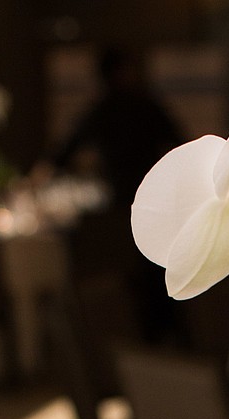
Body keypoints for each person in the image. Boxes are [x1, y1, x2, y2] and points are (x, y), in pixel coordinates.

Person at [39, 46, 184, 342]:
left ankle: (136, 344)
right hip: (155, 204)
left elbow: (64, 152)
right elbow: (179, 144)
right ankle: (162, 340)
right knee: (154, 275)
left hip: (119, 208)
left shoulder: (102, 109)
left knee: (130, 277)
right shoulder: (145, 104)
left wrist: (40, 174)